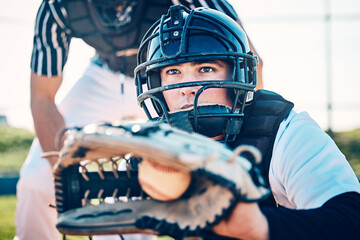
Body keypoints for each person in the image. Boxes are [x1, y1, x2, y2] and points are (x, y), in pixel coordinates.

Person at [15, 1, 262, 240]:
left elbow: (248, 60)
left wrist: (245, 139)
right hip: (103, 76)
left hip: (167, 79)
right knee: (38, 177)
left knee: (140, 187)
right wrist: (64, 166)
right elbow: (41, 97)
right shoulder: (58, 6)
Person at [134, 5, 360, 240]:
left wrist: (259, 226)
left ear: (238, 75)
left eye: (205, 68)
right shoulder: (150, 150)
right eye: (172, 72)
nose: (188, 89)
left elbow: (352, 220)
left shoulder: (284, 131)